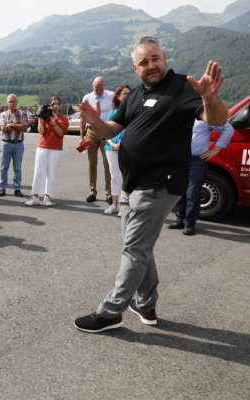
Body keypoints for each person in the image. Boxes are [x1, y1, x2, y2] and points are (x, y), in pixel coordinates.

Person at [74, 36, 229, 333]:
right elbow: (112, 129)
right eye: (144, 62)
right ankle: (146, 303)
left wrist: (210, 98)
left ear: (164, 57)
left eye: (155, 58)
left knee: (134, 249)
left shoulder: (183, 86)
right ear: (135, 67)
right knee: (138, 246)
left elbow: (218, 119)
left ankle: (111, 312)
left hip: (160, 183)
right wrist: (95, 121)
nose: (151, 65)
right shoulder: (133, 96)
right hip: (131, 184)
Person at [168, 120, 234, 235]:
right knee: (178, 191)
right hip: (177, 160)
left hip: (196, 160)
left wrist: (216, 149)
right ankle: (180, 219)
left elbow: (228, 129)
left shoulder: (204, 116)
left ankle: (190, 222)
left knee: (193, 193)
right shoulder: (179, 113)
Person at [25, 96, 69, 207]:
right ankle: (35, 197)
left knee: (51, 173)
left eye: (57, 104)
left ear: (60, 105)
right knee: (38, 172)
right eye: (53, 104)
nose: (55, 106)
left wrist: (54, 122)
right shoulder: (45, 117)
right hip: (43, 146)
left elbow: (60, 133)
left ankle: (47, 197)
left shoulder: (63, 118)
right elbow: (41, 132)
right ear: (50, 105)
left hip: (56, 148)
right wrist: (40, 117)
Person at [79, 76, 114, 204]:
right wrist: (81, 136)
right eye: (96, 90)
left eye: (100, 89)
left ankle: (109, 194)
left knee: (107, 164)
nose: (98, 92)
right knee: (92, 164)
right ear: (92, 86)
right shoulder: (87, 97)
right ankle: (92, 192)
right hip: (91, 133)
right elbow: (83, 118)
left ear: (105, 85)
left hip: (106, 132)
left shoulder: (112, 95)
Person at [103, 85, 131, 215]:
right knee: (114, 177)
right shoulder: (113, 113)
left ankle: (125, 207)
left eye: (129, 93)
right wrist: (113, 144)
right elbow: (106, 133)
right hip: (111, 148)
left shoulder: (134, 112)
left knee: (127, 177)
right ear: (118, 97)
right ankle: (114, 205)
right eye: (124, 93)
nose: (127, 95)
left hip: (128, 149)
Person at [0, 94, 28, 197]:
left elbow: (25, 127)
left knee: (17, 168)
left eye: (14, 101)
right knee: (4, 168)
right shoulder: (3, 114)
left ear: (17, 102)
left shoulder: (23, 114)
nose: (12, 103)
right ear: (7, 103)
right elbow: (3, 129)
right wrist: (18, 127)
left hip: (18, 144)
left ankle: (17, 189)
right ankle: (2, 188)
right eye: (10, 102)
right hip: (6, 144)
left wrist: (12, 125)